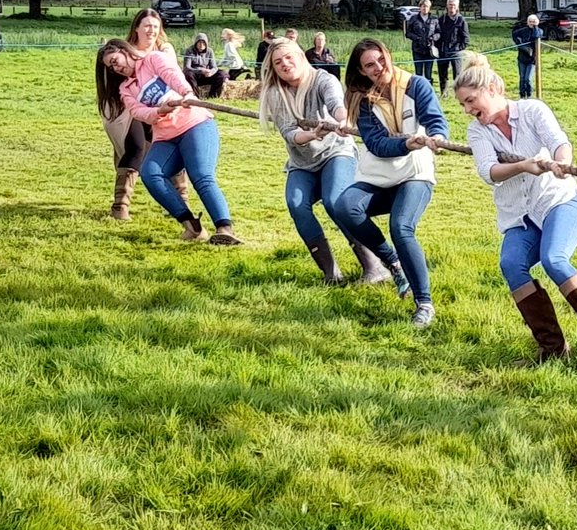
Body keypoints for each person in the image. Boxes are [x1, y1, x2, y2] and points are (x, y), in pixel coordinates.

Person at [453, 53, 577, 366]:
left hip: (558, 202)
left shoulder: (532, 110)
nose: (469, 110)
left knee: (554, 259)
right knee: (511, 265)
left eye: (471, 100)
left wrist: (563, 161)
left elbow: (559, 142)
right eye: (463, 105)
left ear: (493, 89)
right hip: (519, 216)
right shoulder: (477, 132)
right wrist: (525, 165)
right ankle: (552, 348)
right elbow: (488, 171)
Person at [334, 38, 449, 328]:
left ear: (389, 55)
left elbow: (435, 119)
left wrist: (436, 136)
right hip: (379, 175)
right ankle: (393, 262)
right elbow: (376, 144)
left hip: (414, 173)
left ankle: (424, 303)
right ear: (360, 71)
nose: (378, 67)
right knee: (345, 207)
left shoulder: (415, 85)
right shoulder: (360, 99)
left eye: (381, 59)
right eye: (369, 65)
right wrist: (407, 143)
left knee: (401, 227)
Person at [258, 38, 388, 285]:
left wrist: (343, 120)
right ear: (273, 68)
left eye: (288, 57)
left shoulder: (323, 80)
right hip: (302, 161)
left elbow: (337, 105)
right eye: (278, 62)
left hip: (336, 152)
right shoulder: (276, 93)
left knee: (334, 201)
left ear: (301, 56)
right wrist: (312, 134)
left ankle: (375, 267)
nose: (285, 64)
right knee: (296, 203)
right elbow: (289, 133)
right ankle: (331, 274)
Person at [97, 38, 243, 246]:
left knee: (201, 175)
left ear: (124, 51)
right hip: (165, 137)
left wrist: (186, 93)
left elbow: (172, 74)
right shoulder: (126, 89)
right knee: (150, 173)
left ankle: (224, 228)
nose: (116, 67)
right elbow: (138, 111)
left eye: (114, 60)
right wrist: (159, 110)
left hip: (195, 124)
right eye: (111, 67)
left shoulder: (153, 59)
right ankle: (192, 226)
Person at [98, 9, 184, 220]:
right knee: (135, 147)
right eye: (146, 25)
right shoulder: (121, 54)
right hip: (130, 111)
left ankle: (179, 203)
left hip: (162, 109)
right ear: (136, 28)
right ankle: (120, 206)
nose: (151, 30)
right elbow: (113, 91)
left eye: (155, 26)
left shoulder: (165, 50)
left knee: (170, 150)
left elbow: (174, 77)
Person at [436, 0, 470, 95]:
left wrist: (459, 48)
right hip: (442, 51)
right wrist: (438, 48)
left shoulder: (461, 20)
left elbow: (466, 38)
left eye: (454, 5)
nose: (452, 7)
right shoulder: (441, 19)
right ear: (447, 6)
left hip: (456, 52)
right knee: (442, 74)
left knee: (457, 75)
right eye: (450, 5)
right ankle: (444, 93)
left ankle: (458, 94)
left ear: (457, 6)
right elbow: (437, 33)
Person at [182, 32, 227, 98]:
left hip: (206, 75)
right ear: (196, 43)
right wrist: (200, 71)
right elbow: (187, 68)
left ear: (206, 44)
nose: (201, 45)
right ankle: (195, 97)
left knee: (222, 74)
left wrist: (211, 72)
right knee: (188, 74)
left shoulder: (210, 51)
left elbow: (214, 67)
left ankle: (213, 96)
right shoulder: (189, 51)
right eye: (199, 43)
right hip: (195, 76)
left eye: (203, 43)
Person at [404, 0, 439, 82]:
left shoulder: (434, 19)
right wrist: (416, 38)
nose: (425, 8)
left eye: (427, 6)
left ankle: (428, 92)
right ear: (420, 7)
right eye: (423, 6)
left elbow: (439, 32)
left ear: (429, 8)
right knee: (418, 74)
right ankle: (418, 92)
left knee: (428, 74)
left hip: (429, 50)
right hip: (417, 50)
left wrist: (434, 37)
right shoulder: (414, 19)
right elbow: (408, 33)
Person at [511, 14, 543, 98]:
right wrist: (519, 43)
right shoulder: (523, 31)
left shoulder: (539, 30)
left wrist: (535, 27)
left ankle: (529, 94)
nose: (532, 23)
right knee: (522, 78)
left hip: (532, 60)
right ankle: (522, 94)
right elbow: (514, 34)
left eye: (534, 22)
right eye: (530, 21)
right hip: (522, 58)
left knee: (528, 78)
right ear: (527, 22)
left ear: (537, 22)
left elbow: (536, 36)